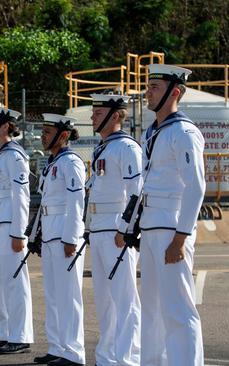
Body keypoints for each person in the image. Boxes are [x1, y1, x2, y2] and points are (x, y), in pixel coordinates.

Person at [139, 64, 205, 365]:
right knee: (151, 309)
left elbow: (196, 186)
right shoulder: (152, 132)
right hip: (151, 226)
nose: (147, 92)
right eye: (148, 85)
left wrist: (181, 237)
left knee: (178, 309)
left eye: (154, 87)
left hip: (171, 227)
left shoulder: (184, 132)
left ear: (174, 91)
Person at [88, 94, 142, 366]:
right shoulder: (103, 148)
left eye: (98, 113)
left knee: (124, 298)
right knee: (104, 299)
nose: (92, 118)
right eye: (94, 113)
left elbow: (136, 191)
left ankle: (129, 358)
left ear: (116, 116)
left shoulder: (126, 148)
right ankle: (107, 356)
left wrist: (125, 227)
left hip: (116, 231)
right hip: (99, 228)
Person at [0, 106, 33, 354]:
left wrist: (19, 232)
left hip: (9, 227)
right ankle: (3, 332)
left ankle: (20, 335)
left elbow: (21, 195)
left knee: (14, 283)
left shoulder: (14, 155)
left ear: (6, 125)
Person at [33, 114, 86, 366]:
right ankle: (57, 346)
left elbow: (77, 202)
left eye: (47, 131)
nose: (43, 135)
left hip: (65, 233)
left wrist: (71, 237)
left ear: (63, 135)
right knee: (53, 295)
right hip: (51, 233)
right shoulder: (52, 162)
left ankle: (73, 352)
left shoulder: (71, 162)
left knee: (68, 296)